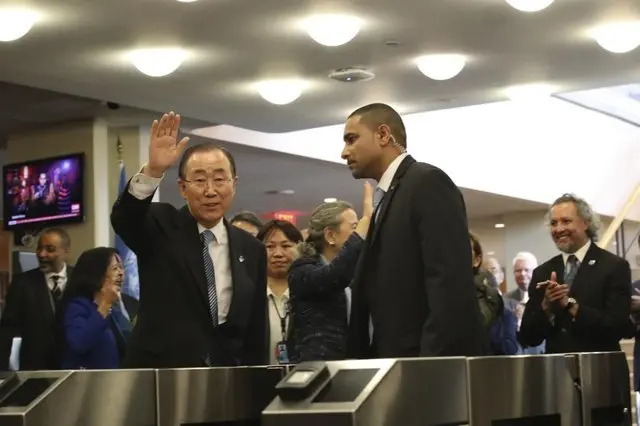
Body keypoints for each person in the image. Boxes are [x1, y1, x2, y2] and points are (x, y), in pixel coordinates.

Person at [111, 112, 267, 368]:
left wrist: (257, 379)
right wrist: (153, 171)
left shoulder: (252, 248)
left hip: (226, 375)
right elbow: (124, 219)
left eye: (219, 179)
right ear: (183, 188)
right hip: (162, 374)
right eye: (200, 180)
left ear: (234, 184)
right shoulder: (160, 226)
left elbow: (255, 329)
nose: (210, 191)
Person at [342, 103, 484, 358]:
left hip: (421, 363)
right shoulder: (388, 197)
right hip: (390, 360)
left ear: (383, 135)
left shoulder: (427, 183)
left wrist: (429, 366)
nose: (344, 152)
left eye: (352, 139)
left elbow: (448, 286)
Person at [519, 194, 631, 353]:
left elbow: (618, 328)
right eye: (554, 223)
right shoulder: (543, 272)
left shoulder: (613, 266)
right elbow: (528, 338)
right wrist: (546, 307)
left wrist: (571, 307)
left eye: (566, 221)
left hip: (600, 365)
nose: (558, 229)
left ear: (586, 223)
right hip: (557, 366)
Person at [288, 191, 371, 362]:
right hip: (319, 367)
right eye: (354, 227)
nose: (360, 233)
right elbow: (333, 276)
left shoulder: (354, 272)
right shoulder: (302, 270)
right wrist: (363, 227)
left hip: (353, 365)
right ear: (330, 235)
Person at [0, 228, 72, 370]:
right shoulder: (22, 283)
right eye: (39, 248)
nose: (41, 254)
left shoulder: (79, 279)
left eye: (50, 249)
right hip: (34, 368)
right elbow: (7, 330)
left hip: (72, 366)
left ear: (65, 251)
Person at [57, 247, 125, 369]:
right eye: (115, 268)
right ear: (98, 273)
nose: (121, 273)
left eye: (121, 267)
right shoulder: (77, 306)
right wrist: (105, 304)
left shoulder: (113, 311)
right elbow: (79, 343)